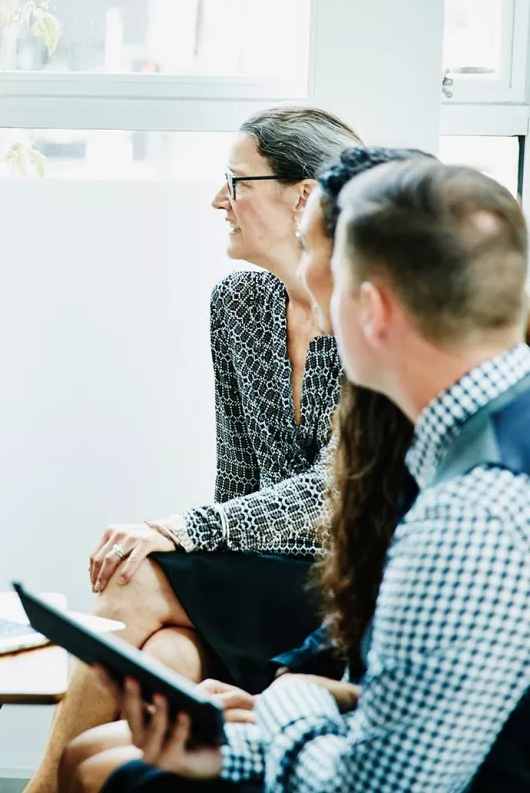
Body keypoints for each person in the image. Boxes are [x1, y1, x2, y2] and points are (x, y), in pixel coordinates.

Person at [88, 160, 530, 791]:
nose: (318, 301)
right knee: (118, 740)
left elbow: (370, 786)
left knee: (113, 768)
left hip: (363, 760)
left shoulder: (469, 513)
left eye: (335, 279)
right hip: (363, 726)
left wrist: (289, 700)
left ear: (372, 309)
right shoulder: (473, 429)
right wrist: (324, 694)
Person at [25, 107, 362, 793]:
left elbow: (336, 490)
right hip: (255, 577)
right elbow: (236, 479)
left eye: (235, 182)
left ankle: (38, 790)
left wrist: (181, 533)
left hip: (335, 585)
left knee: (134, 573)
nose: (218, 200)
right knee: (168, 655)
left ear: (303, 196)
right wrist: (202, 551)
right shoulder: (237, 302)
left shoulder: (366, 314)